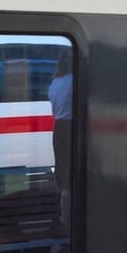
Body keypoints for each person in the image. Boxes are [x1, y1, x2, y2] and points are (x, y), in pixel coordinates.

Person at [47, 54, 73, 230]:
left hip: (58, 127)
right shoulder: (74, 80)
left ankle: (61, 212)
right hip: (72, 126)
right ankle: (69, 215)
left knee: (62, 169)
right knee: (72, 170)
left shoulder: (54, 83)